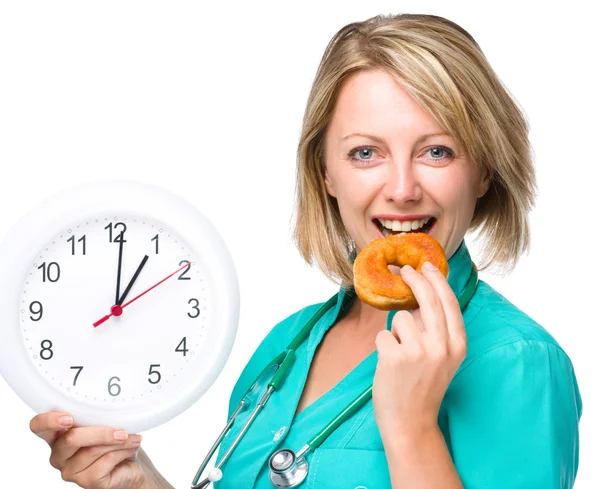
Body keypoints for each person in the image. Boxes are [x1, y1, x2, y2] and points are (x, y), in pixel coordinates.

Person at [29, 13, 582, 489]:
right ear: (326, 174)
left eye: (437, 150)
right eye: (365, 153)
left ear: (484, 170)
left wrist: (412, 428)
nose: (402, 188)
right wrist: (138, 482)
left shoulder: (517, 362)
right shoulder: (286, 344)